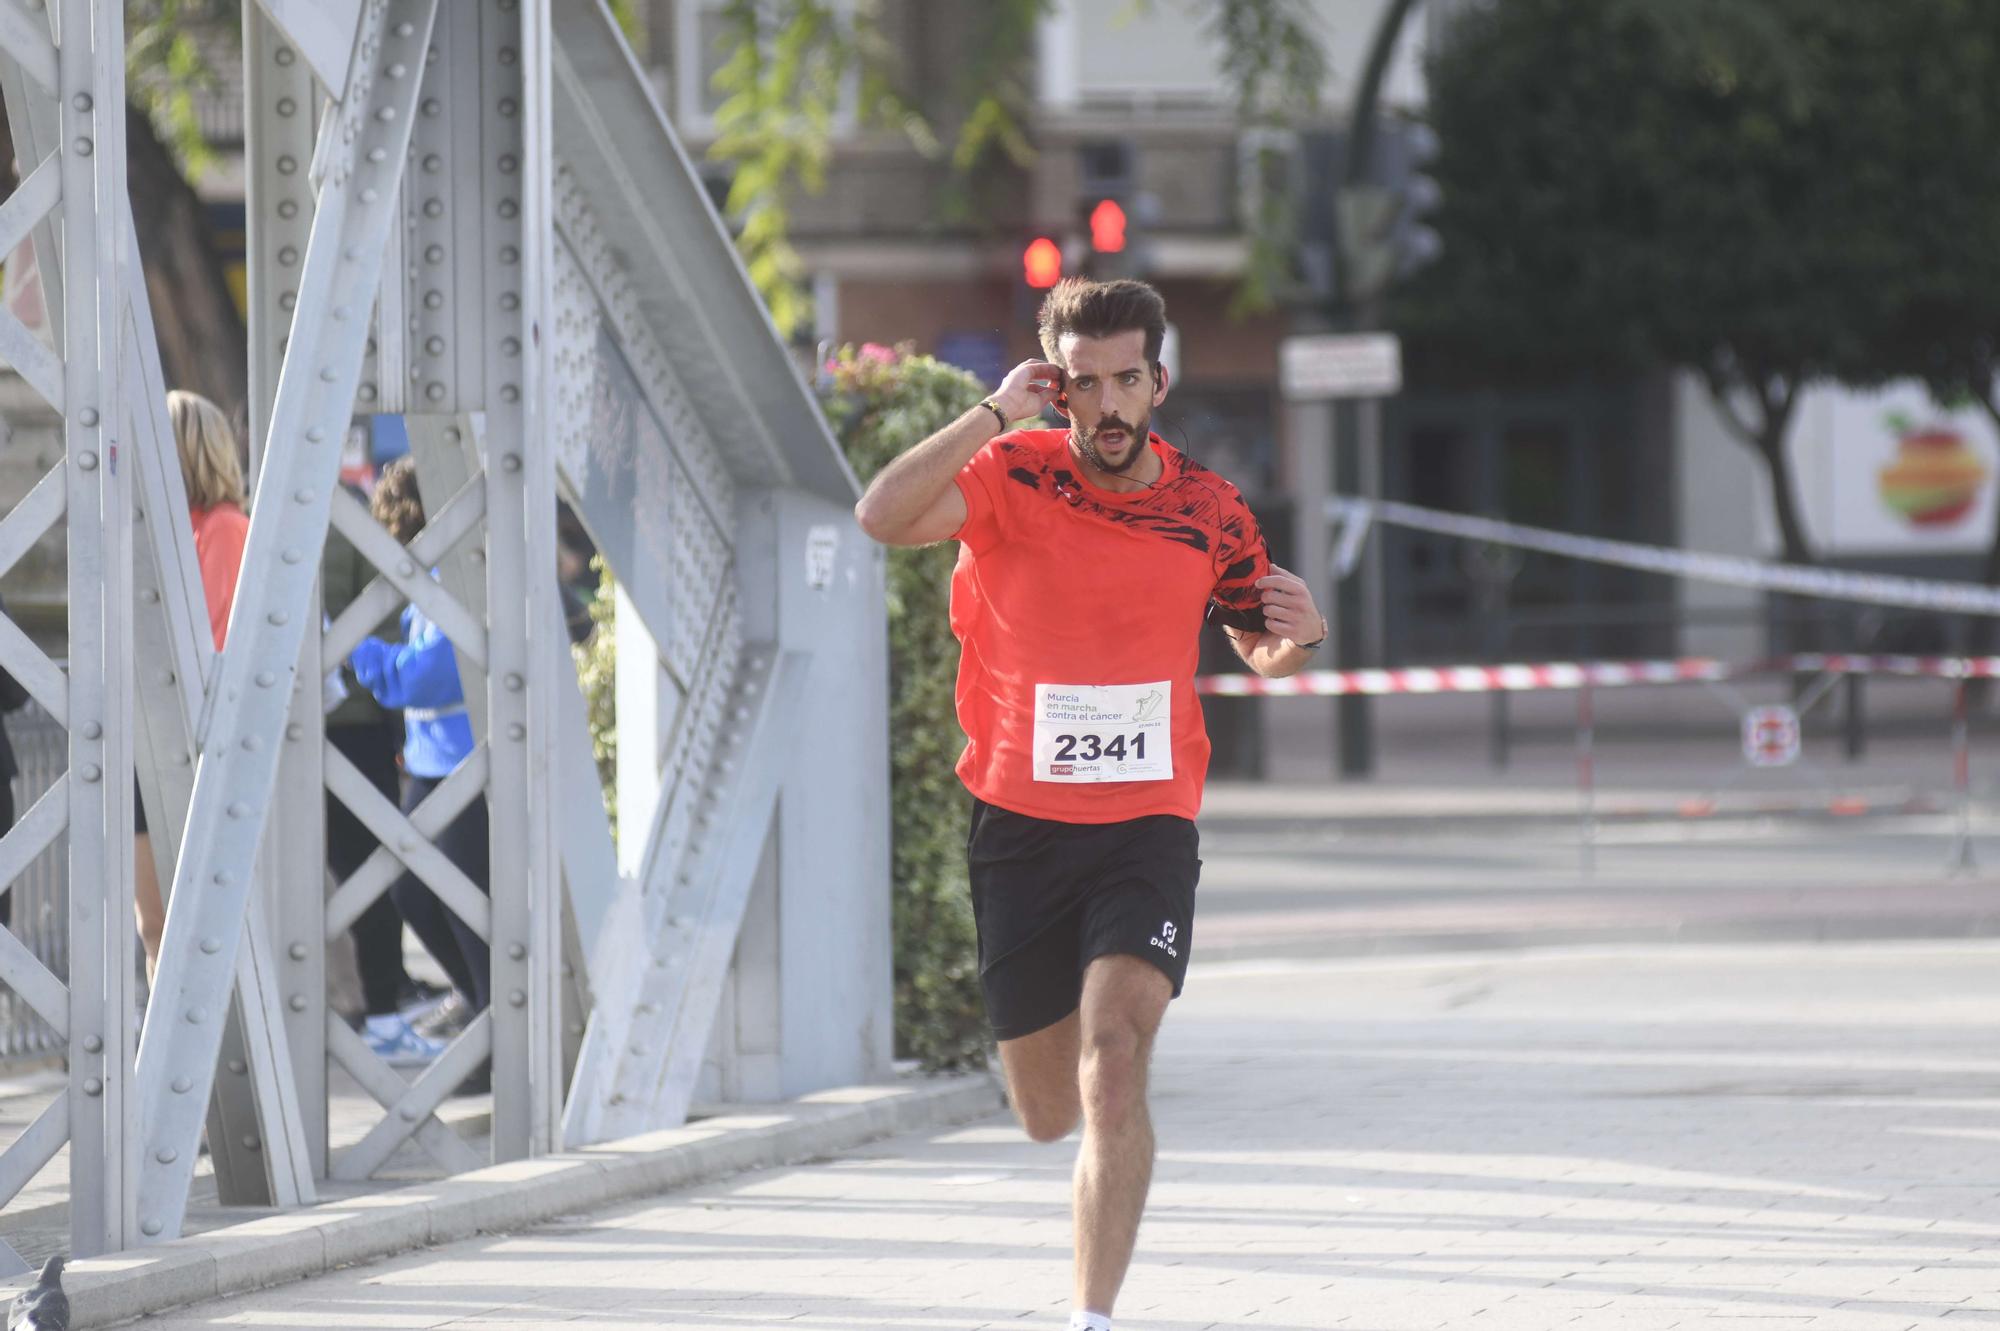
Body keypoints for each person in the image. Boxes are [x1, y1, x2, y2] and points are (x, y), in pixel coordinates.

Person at [853, 278, 1325, 1331]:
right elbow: (880, 515)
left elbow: (1261, 641)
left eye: (1126, 380)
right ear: (1053, 384)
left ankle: (1091, 1315)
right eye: (1083, 383)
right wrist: (991, 412)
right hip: (1016, 824)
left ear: (1156, 381)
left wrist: (1295, 636)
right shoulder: (1009, 472)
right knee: (1044, 1109)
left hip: (1145, 824)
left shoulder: (1208, 508)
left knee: (1114, 1059)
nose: (1106, 405)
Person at [347, 459, 493, 1040]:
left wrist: (357, 650)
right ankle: (476, 1001)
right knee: (413, 892)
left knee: (462, 901)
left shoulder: (454, 578)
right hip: (434, 763)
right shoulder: (431, 582)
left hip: (465, 764)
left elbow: (426, 676)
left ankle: (491, 1023)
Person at [135, 391, 251, 981]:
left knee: (189, 926)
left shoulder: (225, 529)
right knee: (151, 923)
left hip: (192, 742)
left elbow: (214, 638)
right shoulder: (150, 530)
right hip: (147, 736)